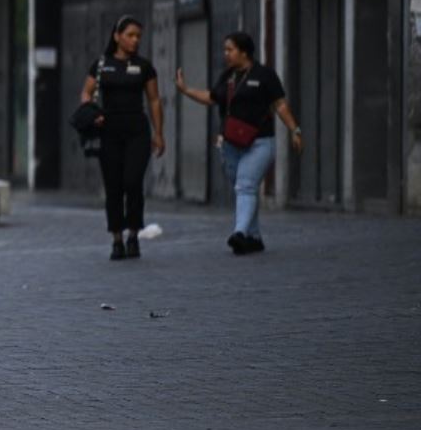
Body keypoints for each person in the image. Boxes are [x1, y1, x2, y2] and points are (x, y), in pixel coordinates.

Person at [173, 33, 302, 255]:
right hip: (231, 143)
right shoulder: (228, 77)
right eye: (224, 50)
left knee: (245, 186)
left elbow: (280, 105)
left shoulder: (264, 75)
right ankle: (254, 237)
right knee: (245, 190)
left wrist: (295, 129)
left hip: (260, 142)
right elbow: (212, 98)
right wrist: (186, 90)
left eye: (230, 50)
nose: (226, 54)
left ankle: (239, 233)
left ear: (244, 52)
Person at [80, 16, 165, 261]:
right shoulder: (101, 65)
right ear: (117, 36)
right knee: (113, 185)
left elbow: (154, 100)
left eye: (138, 36)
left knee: (132, 181)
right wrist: (91, 114)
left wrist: (158, 133)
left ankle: (133, 234)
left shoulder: (144, 66)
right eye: (130, 35)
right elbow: (86, 93)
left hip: (137, 129)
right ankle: (117, 238)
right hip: (109, 129)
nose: (135, 40)